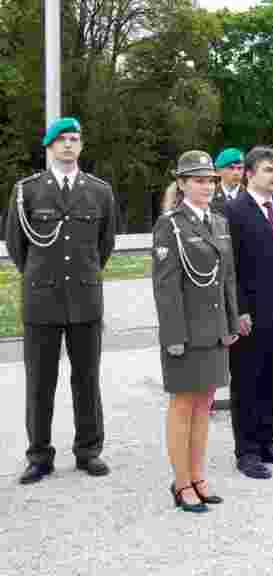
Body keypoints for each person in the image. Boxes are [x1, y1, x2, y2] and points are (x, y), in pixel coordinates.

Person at [6, 117, 116, 485]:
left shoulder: (100, 192)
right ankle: (39, 455)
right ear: (49, 146)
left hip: (85, 299)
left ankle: (89, 451)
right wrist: (41, 276)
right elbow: (18, 247)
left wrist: (83, 274)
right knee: (40, 382)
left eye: (74, 139)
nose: (69, 145)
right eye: (61, 139)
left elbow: (105, 245)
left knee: (87, 379)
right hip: (42, 301)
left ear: (80, 146)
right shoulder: (28, 191)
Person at [152, 151, 239, 512]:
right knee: (183, 404)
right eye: (198, 179)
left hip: (215, 330)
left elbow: (227, 279)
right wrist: (173, 336)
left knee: (204, 406)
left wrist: (232, 324)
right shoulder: (170, 225)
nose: (206, 185)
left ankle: (199, 476)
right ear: (183, 183)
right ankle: (181, 482)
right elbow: (165, 287)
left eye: (210, 180)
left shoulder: (218, 223)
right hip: (186, 333)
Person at [224, 147, 273, 479]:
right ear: (249, 174)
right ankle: (247, 450)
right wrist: (238, 311)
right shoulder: (234, 211)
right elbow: (230, 267)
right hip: (250, 315)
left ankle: (268, 442)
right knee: (247, 381)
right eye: (269, 170)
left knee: (272, 379)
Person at [210, 148, 245, 215]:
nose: (236, 173)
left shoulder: (250, 196)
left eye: (240, 168)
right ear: (218, 171)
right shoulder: (209, 196)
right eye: (231, 168)